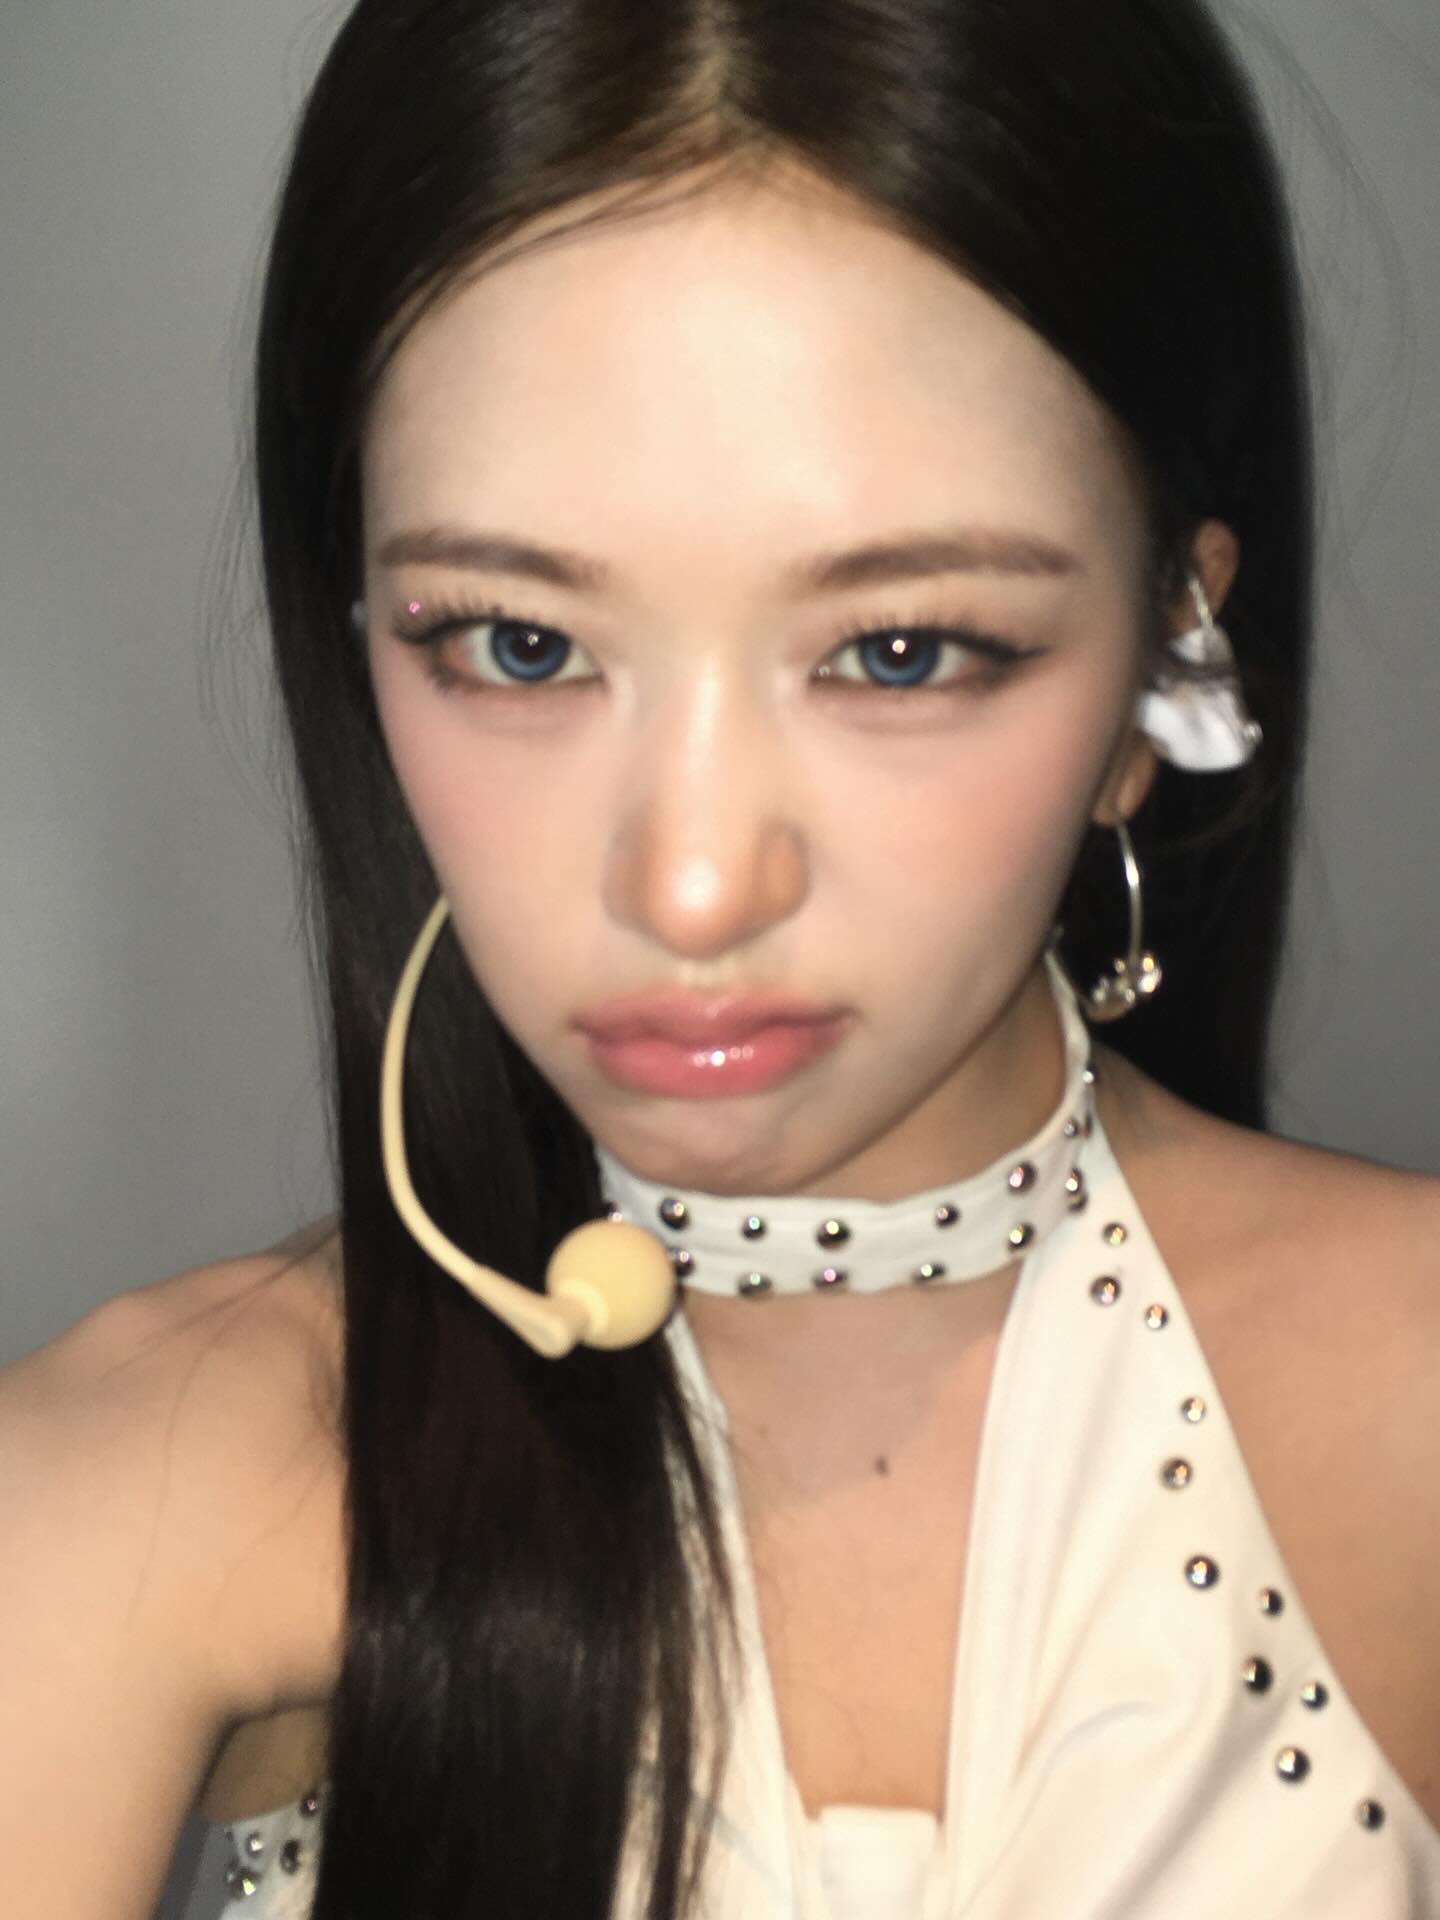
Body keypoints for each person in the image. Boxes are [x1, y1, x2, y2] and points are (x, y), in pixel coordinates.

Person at [3, 0, 1438, 1915]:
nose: (689, 888)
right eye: (519, 646)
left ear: (1164, 662)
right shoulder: (129, 1480)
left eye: (901, 652)